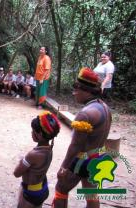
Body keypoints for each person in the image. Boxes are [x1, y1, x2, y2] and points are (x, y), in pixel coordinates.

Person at [53, 67, 112, 208]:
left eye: (76, 90)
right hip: (96, 157)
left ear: (86, 90)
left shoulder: (85, 114)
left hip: (82, 160)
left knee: (61, 188)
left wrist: (64, 167)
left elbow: (76, 145)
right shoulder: (104, 107)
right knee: (90, 193)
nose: (74, 94)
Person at [14, 111, 61, 208]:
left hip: (31, 193)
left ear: (39, 134)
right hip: (42, 188)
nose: (31, 133)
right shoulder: (49, 149)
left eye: (33, 131)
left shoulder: (33, 155)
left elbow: (16, 173)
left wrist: (22, 160)